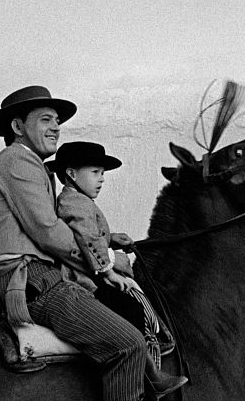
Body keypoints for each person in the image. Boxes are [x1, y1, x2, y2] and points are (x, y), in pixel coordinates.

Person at [0, 86, 195, 401]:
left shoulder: (30, 165)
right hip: (31, 280)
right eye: (46, 119)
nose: (56, 126)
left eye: (58, 121)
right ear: (17, 126)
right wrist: (104, 267)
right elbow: (50, 231)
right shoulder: (18, 162)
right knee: (127, 342)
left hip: (33, 273)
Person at [47, 141, 173, 366]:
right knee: (129, 309)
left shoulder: (77, 201)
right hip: (84, 280)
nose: (102, 179)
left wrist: (112, 237)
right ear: (72, 174)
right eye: (95, 172)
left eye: (102, 173)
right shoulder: (76, 203)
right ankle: (143, 369)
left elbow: (85, 233)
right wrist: (109, 272)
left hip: (89, 274)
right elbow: (88, 238)